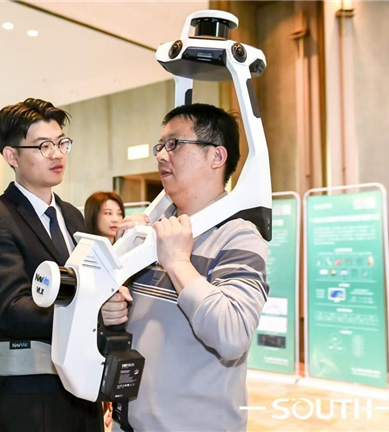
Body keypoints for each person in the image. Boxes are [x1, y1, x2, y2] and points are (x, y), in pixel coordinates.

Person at [102, 103, 268, 432]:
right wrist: (110, 305)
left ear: (216, 156)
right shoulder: (153, 232)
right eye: (160, 146)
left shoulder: (238, 237)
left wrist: (178, 262)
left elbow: (232, 334)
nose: (162, 155)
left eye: (174, 144)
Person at [0, 98, 103, 431]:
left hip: (82, 385)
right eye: (44, 146)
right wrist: (94, 310)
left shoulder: (71, 215)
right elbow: (15, 309)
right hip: (30, 391)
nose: (57, 154)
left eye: (61, 143)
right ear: (12, 156)